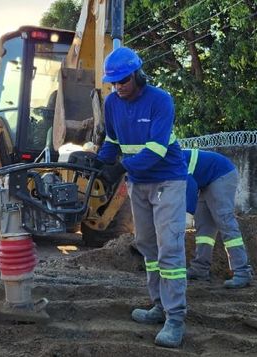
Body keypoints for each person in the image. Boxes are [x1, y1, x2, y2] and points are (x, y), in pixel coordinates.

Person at [96, 47, 188, 348]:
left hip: (168, 180)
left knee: (169, 248)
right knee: (148, 247)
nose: (118, 87)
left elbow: (157, 151)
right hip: (139, 183)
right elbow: (112, 141)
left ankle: (175, 318)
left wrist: (120, 168)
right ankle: (158, 305)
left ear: (137, 75)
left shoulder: (160, 101)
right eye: (113, 83)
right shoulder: (111, 103)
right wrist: (98, 163)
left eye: (123, 81)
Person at [183, 148, 253, 288]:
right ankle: (200, 268)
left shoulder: (170, 161)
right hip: (205, 180)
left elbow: (189, 184)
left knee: (224, 221)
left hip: (221, 173)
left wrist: (188, 214)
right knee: (204, 226)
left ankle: (242, 272)